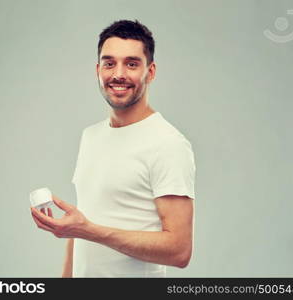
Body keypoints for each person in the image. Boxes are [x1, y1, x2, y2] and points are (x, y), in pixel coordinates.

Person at [31, 19, 196, 278]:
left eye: (131, 64)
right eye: (109, 63)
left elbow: (179, 251)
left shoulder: (168, 143)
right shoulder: (91, 136)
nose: (118, 74)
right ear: (98, 70)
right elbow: (80, 229)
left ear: (150, 72)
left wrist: (89, 230)